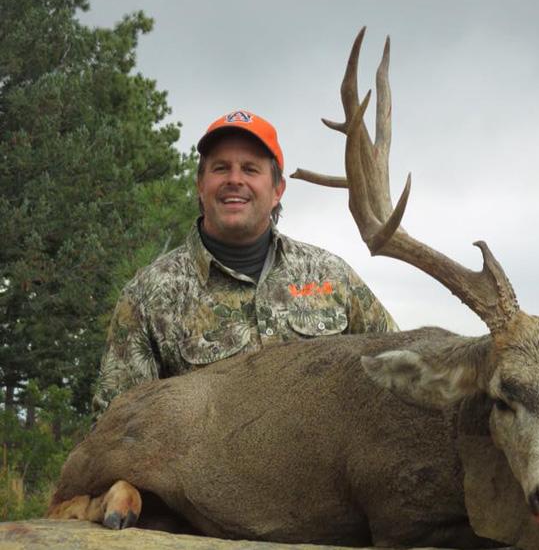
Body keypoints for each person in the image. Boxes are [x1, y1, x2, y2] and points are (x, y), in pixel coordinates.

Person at [92, 110, 398, 416]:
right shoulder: (147, 296)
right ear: (201, 185)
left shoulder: (332, 277)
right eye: (220, 168)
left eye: (250, 169)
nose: (234, 180)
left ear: (277, 190)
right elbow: (117, 430)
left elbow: (399, 368)